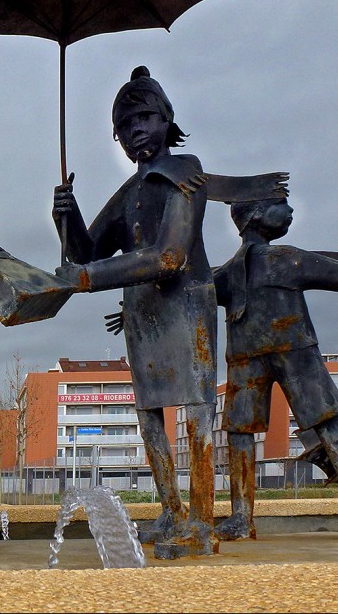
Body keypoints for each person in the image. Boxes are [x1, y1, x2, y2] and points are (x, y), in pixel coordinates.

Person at [52, 66, 218, 559]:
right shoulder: (129, 192)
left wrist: (85, 278)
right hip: (142, 311)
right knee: (149, 415)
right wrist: (67, 214)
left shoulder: (185, 173)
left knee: (196, 411)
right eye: (124, 126)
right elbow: (86, 253)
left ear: (167, 117)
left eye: (144, 117)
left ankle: (201, 521)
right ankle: (171, 508)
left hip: (185, 304)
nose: (135, 130)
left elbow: (170, 257)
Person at [213, 196, 338, 541]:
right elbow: (188, 297)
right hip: (246, 359)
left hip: (296, 354)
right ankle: (241, 516)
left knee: (328, 427)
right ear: (256, 215)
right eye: (281, 204)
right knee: (240, 433)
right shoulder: (232, 272)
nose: (290, 211)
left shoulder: (285, 259)